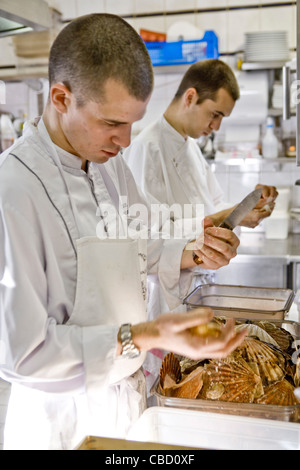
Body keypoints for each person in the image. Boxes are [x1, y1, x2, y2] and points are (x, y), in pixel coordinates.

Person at [0, 14, 246, 450]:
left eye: (133, 123)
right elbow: (21, 354)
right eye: (112, 124)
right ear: (61, 97)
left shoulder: (108, 165)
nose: (126, 141)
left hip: (123, 403)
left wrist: (193, 251)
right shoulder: (15, 189)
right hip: (60, 423)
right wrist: (146, 335)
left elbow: (141, 242)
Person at [124, 59, 278, 235]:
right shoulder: (146, 148)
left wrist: (247, 208)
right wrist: (228, 216)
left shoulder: (191, 147)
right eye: (215, 114)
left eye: (222, 118)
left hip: (202, 261)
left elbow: (214, 205)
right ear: (190, 98)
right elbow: (149, 232)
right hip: (176, 263)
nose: (216, 127)